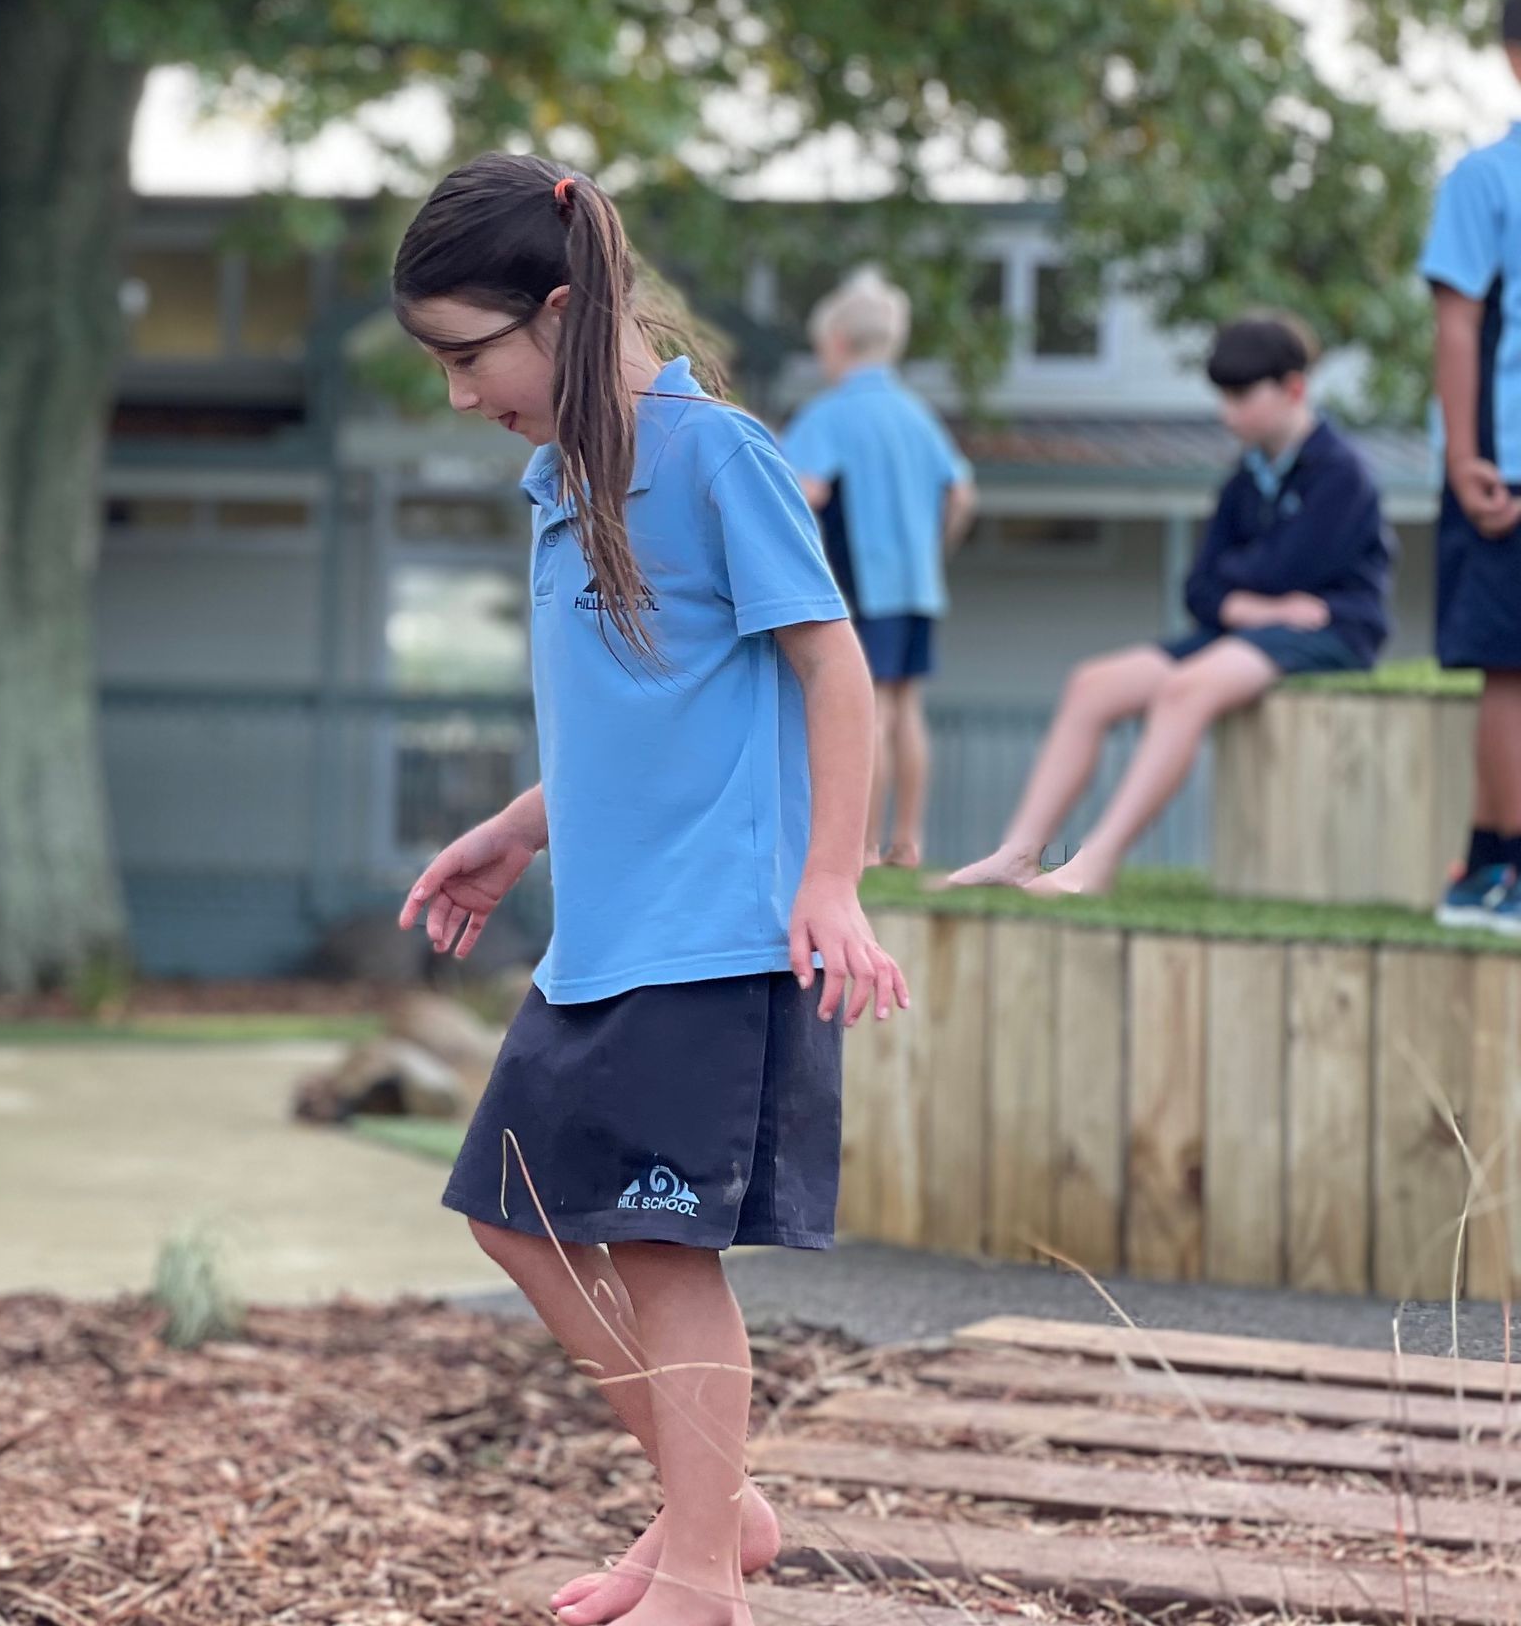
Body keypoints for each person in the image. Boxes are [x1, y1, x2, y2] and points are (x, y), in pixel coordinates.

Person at [389, 154, 905, 1626]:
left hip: (713, 934)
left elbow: (834, 671)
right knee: (516, 1209)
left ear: (559, 309)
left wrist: (830, 881)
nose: (458, 394)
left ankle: (696, 1579)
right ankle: (715, 1506)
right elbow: (655, 710)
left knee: (660, 1252)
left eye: (469, 357)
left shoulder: (712, 454)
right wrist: (524, 826)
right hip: (606, 938)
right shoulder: (566, 477)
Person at [940, 313, 1389, 897]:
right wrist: (1250, 607)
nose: (1227, 412)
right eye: (1222, 396)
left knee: (1186, 689)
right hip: (1255, 628)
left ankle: (1093, 864)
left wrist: (1238, 594)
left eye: (1241, 395)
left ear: (1293, 388)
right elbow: (1199, 588)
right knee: (1092, 684)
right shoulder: (1243, 479)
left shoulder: (1343, 474)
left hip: (1331, 633)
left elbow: (1284, 572)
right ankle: (1019, 855)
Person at [776, 267, 977, 869]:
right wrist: (933, 552)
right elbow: (962, 496)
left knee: (869, 709)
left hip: (861, 582)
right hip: (917, 584)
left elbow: (801, 492)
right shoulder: (919, 416)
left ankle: (860, 846)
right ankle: (908, 843)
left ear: (836, 344)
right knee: (906, 707)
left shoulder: (829, 415)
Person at [1420, 0, 1521, 931]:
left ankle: (1499, 867)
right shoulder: (1488, 178)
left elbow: (1459, 323)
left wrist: (1463, 458)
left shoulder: (1487, 177)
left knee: (1507, 670)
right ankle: (1492, 863)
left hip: (1503, 459)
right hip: (1504, 461)